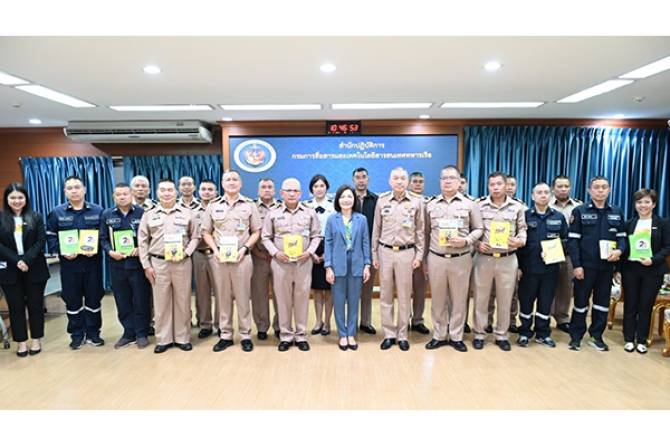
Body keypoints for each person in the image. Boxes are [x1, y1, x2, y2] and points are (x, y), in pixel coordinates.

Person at [424, 166, 483, 353]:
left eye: (451, 178)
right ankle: (439, 335)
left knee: (459, 299)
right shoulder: (430, 205)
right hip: (436, 258)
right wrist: (424, 260)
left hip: (461, 258)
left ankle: (456, 336)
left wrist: (467, 240)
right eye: (444, 178)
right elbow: (425, 234)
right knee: (437, 299)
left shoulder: (470, 204)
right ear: (440, 181)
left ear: (459, 182)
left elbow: (479, 229)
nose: (447, 181)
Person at [201, 170, 261, 353]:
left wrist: (245, 248)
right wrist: (215, 250)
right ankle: (225, 335)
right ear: (222, 183)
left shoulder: (249, 205)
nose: (232, 182)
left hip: (242, 258)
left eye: (235, 179)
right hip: (220, 259)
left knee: (243, 297)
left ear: (240, 183)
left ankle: (245, 335)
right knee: (223, 297)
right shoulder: (213, 205)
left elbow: (256, 231)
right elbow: (205, 232)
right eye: (228, 179)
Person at [138, 178, 200, 354]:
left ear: (176, 192)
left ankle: (182, 338)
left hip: (182, 262)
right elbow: (142, 241)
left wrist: (187, 253)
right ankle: (163, 339)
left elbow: (196, 236)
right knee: (161, 302)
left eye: (170, 190)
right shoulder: (149, 214)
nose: (167, 193)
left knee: (183, 300)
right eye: (163, 190)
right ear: (157, 193)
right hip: (158, 263)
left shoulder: (188, 213)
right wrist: (146, 265)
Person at [567, 176, 627, 352]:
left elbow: (622, 238)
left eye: (604, 187)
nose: (600, 190)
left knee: (602, 304)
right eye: (596, 187)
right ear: (589, 190)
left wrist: (620, 251)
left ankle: (596, 336)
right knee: (580, 303)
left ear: (609, 190)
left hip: (607, 267)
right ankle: (576, 336)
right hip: (585, 267)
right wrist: (577, 265)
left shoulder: (617, 211)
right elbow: (573, 241)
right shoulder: (579, 211)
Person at [262, 178, 320, 352]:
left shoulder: (310, 212)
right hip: (281, 264)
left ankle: (301, 335)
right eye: (288, 190)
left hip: (303, 263)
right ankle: (286, 336)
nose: (292, 194)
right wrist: (275, 252)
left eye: (295, 191)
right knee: (283, 300)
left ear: (300, 193)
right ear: (282, 193)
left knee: (302, 299)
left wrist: (309, 252)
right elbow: (265, 237)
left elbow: (316, 235)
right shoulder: (272, 213)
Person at [46, 175, 104, 350]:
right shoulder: (57, 213)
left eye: (77, 187)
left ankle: (93, 333)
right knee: (72, 301)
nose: (74, 191)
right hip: (69, 266)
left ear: (84, 189)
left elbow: (104, 237)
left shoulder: (97, 210)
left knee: (94, 299)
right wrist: (61, 251)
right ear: (65, 191)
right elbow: (50, 236)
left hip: (92, 264)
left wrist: (95, 248)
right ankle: (77, 335)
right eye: (70, 188)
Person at [472, 171, 527, 351]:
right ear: (488, 186)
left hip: (507, 259)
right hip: (484, 259)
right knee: (481, 298)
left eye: (499, 184)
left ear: (506, 185)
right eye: (492, 184)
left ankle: (502, 335)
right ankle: (479, 333)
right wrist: (477, 244)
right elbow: (472, 229)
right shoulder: (479, 205)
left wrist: (520, 241)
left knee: (505, 299)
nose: (495, 187)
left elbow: (523, 229)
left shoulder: (517, 207)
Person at [372, 167, 425, 351]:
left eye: (403, 178)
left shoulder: (417, 201)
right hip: (385, 252)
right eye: (396, 178)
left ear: (407, 181)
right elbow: (376, 230)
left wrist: (419, 255)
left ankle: (402, 335)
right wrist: (374, 254)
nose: (400, 181)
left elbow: (420, 231)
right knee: (385, 295)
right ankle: (389, 334)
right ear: (390, 181)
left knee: (404, 296)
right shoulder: (382, 200)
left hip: (406, 253)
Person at [100, 182, 151, 349]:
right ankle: (128, 333)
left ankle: (142, 333)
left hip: (137, 265)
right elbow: (103, 239)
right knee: (122, 300)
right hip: (117, 265)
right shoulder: (107, 214)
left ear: (132, 195)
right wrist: (110, 251)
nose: (122, 197)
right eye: (118, 194)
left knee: (141, 300)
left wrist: (140, 249)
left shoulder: (142, 213)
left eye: (125, 194)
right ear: (114, 197)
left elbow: (149, 237)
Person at [0, 183, 49, 357]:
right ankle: (21, 343)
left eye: (20, 197)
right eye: (12, 197)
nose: (17, 201)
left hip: (34, 267)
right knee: (16, 307)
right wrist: (17, 261)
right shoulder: (1, 218)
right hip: (9, 270)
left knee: (36, 306)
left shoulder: (35, 217)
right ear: (6, 199)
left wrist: (26, 260)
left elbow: (41, 240)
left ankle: (36, 340)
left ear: (26, 199)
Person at [516, 182, 568, 348]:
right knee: (526, 302)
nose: (543, 195)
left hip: (550, 269)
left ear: (551, 196)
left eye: (546, 192)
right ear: (533, 196)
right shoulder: (525, 216)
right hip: (528, 268)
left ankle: (542, 333)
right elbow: (518, 243)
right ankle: (524, 332)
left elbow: (566, 240)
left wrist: (557, 250)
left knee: (545, 303)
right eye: (539, 192)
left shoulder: (558, 217)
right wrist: (518, 267)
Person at [620, 189, 670, 354]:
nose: (643, 205)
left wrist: (653, 259)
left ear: (653, 204)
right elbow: (623, 247)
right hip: (631, 269)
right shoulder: (629, 224)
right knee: (630, 304)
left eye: (647, 202)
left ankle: (642, 339)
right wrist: (617, 269)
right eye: (639, 202)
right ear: (635, 205)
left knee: (646, 305)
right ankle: (629, 338)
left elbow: (667, 247)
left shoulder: (663, 223)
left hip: (652, 270)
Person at [324, 185, 371, 351]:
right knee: (338, 301)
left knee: (353, 301)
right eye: (342, 196)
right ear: (338, 200)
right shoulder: (332, 219)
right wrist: (328, 267)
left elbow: (365, 242)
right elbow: (328, 243)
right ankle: (342, 334)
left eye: (349, 196)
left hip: (357, 263)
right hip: (337, 264)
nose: (346, 199)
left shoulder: (361, 219)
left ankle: (351, 333)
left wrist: (367, 265)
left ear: (354, 199)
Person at [549, 175, 582, 333]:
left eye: (566, 186)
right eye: (559, 186)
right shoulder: (546, 204)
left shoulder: (578, 206)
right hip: (548, 252)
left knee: (566, 287)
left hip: (569, 253)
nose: (563, 189)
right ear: (553, 189)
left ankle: (562, 318)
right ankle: (544, 316)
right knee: (546, 286)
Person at [304, 174, 335, 336]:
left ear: (327, 188)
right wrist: (311, 252)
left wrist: (328, 253)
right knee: (316, 289)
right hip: (311, 247)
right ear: (311, 189)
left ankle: (328, 322)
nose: (319, 189)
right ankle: (318, 321)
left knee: (329, 288)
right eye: (316, 186)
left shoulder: (334, 205)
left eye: (322, 185)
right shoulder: (305, 206)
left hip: (330, 246)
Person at [250, 178, 281, 339]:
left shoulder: (282, 206)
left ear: (274, 190)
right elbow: (248, 232)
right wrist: (257, 252)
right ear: (258, 190)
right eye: (263, 187)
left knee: (280, 294)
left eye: (270, 187)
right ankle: (262, 327)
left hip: (279, 257)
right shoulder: (251, 207)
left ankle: (280, 326)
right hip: (258, 256)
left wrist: (277, 252)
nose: (267, 189)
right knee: (258, 293)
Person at [192, 179, 220, 338]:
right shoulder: (192, 210)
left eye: (210, 189)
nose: (207, 192)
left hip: (218, 254)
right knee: (202, 291)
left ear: (216, 192)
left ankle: (220, 324)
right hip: (199, 253)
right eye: (204, 189)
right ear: (199, 191)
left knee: (221, 291)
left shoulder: (221, 208)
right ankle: (205, 324)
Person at [352, 167, 378, 334]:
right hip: (351, 250)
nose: (361, 180)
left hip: (370, 250)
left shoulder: (376, 200)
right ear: (353, 180)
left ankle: (365, 322)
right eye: (358, 177)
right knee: (352, 289)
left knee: (367, 289)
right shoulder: (347, 198)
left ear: (368, 179)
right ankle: (352, 322)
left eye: (364, 177)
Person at [408, 171, 430, 335]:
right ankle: (404, 319)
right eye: (415, 181)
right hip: (406, 250)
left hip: (425, 252)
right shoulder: (404, 202)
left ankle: (417, 320)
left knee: (420, 288)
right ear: (409, 183)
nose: (418, 184)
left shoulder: (430, 203)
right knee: (403, 289)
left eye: (421, 181)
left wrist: (425, 256)